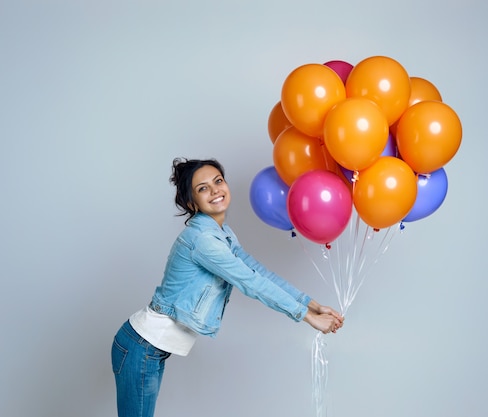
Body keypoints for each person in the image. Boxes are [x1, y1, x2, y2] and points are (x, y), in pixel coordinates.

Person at [111, 157, 344, 417]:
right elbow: (250, 283)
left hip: (147, 348)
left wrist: (313, 305)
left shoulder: (223, 235)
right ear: (192, 203)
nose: (214, 191)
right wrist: (308, 318)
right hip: (141, 345)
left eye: (218, 181)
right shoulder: (202, 241)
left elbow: (259, 273)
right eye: (203, 188)